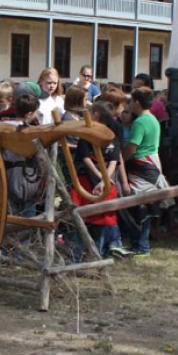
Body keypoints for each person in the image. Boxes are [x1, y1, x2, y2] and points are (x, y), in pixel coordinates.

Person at [70, 101, 131, 258]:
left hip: (103, 179)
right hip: (86, 179)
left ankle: (103, 250)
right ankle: (78, 252)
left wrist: (104, 180)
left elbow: (114, 160)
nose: (88, 114)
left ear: (96, 114)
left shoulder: (110, 135)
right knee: (81, 218)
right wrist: (101, 177)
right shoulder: (87, 135)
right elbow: (85, 158)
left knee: (104, 218)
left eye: (90, 112)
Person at [122, 87, 169, 255]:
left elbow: (132, 148)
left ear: (136, 102)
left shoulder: (140, 122)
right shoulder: (153, 119)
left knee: (137, 206)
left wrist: (119, 159)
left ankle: (140, 245)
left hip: (141, 166)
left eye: (131, 101)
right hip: (153, 164)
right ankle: (142, 244)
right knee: (146, 205)